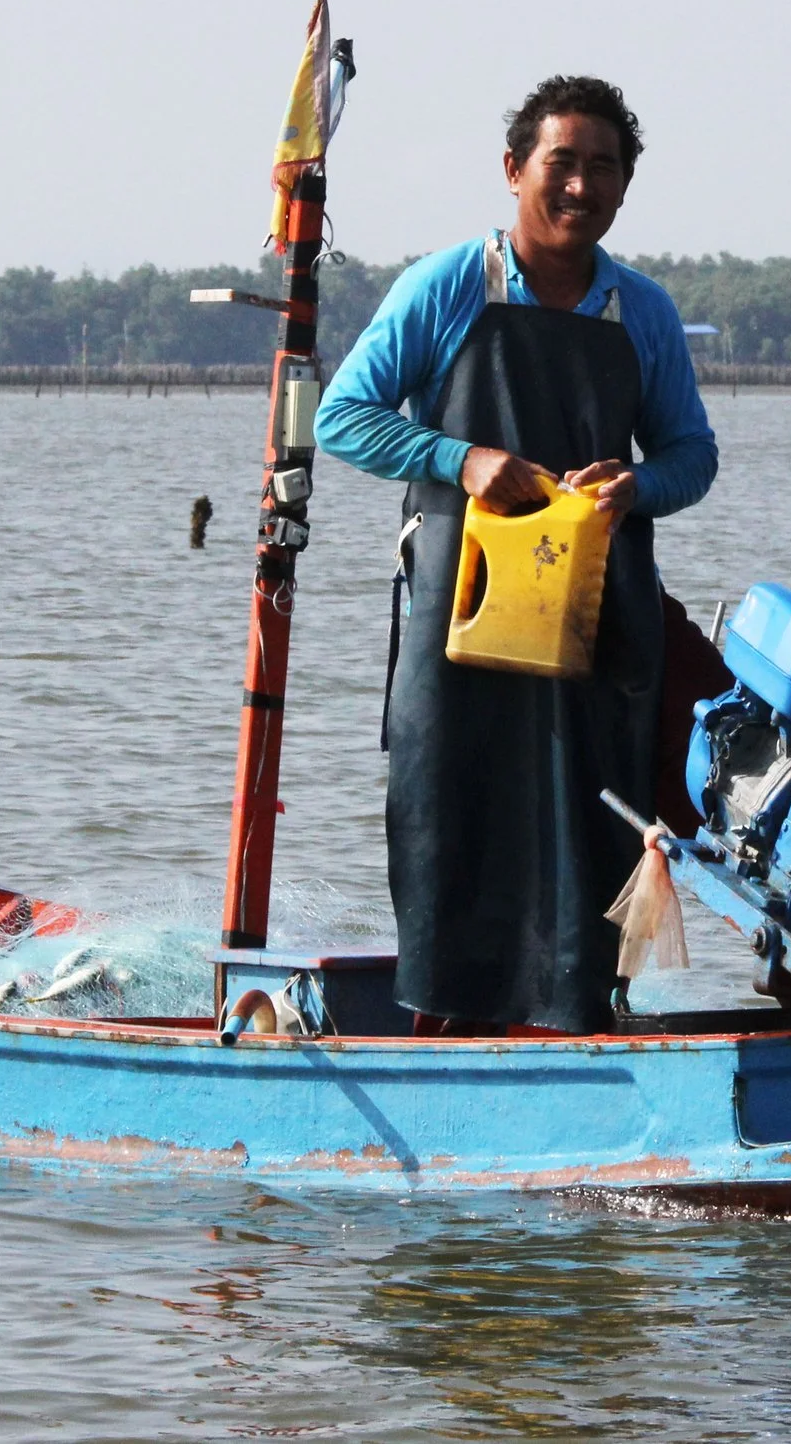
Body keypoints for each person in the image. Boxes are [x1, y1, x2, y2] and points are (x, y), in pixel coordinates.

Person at [316, 75, 719, 1034]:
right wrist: (463, 460)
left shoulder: (641, 310)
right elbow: (343, 417)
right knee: (449, 820)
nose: (581, 186)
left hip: (597, 624)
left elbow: (693, 455)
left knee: (595, 828)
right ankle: (443, 1030)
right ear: (513, 170)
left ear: (625, 186)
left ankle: (583, 1022)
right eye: (561, 163)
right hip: (462, 618)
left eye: (603, 168)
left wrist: (638, 485)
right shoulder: (449, 285)